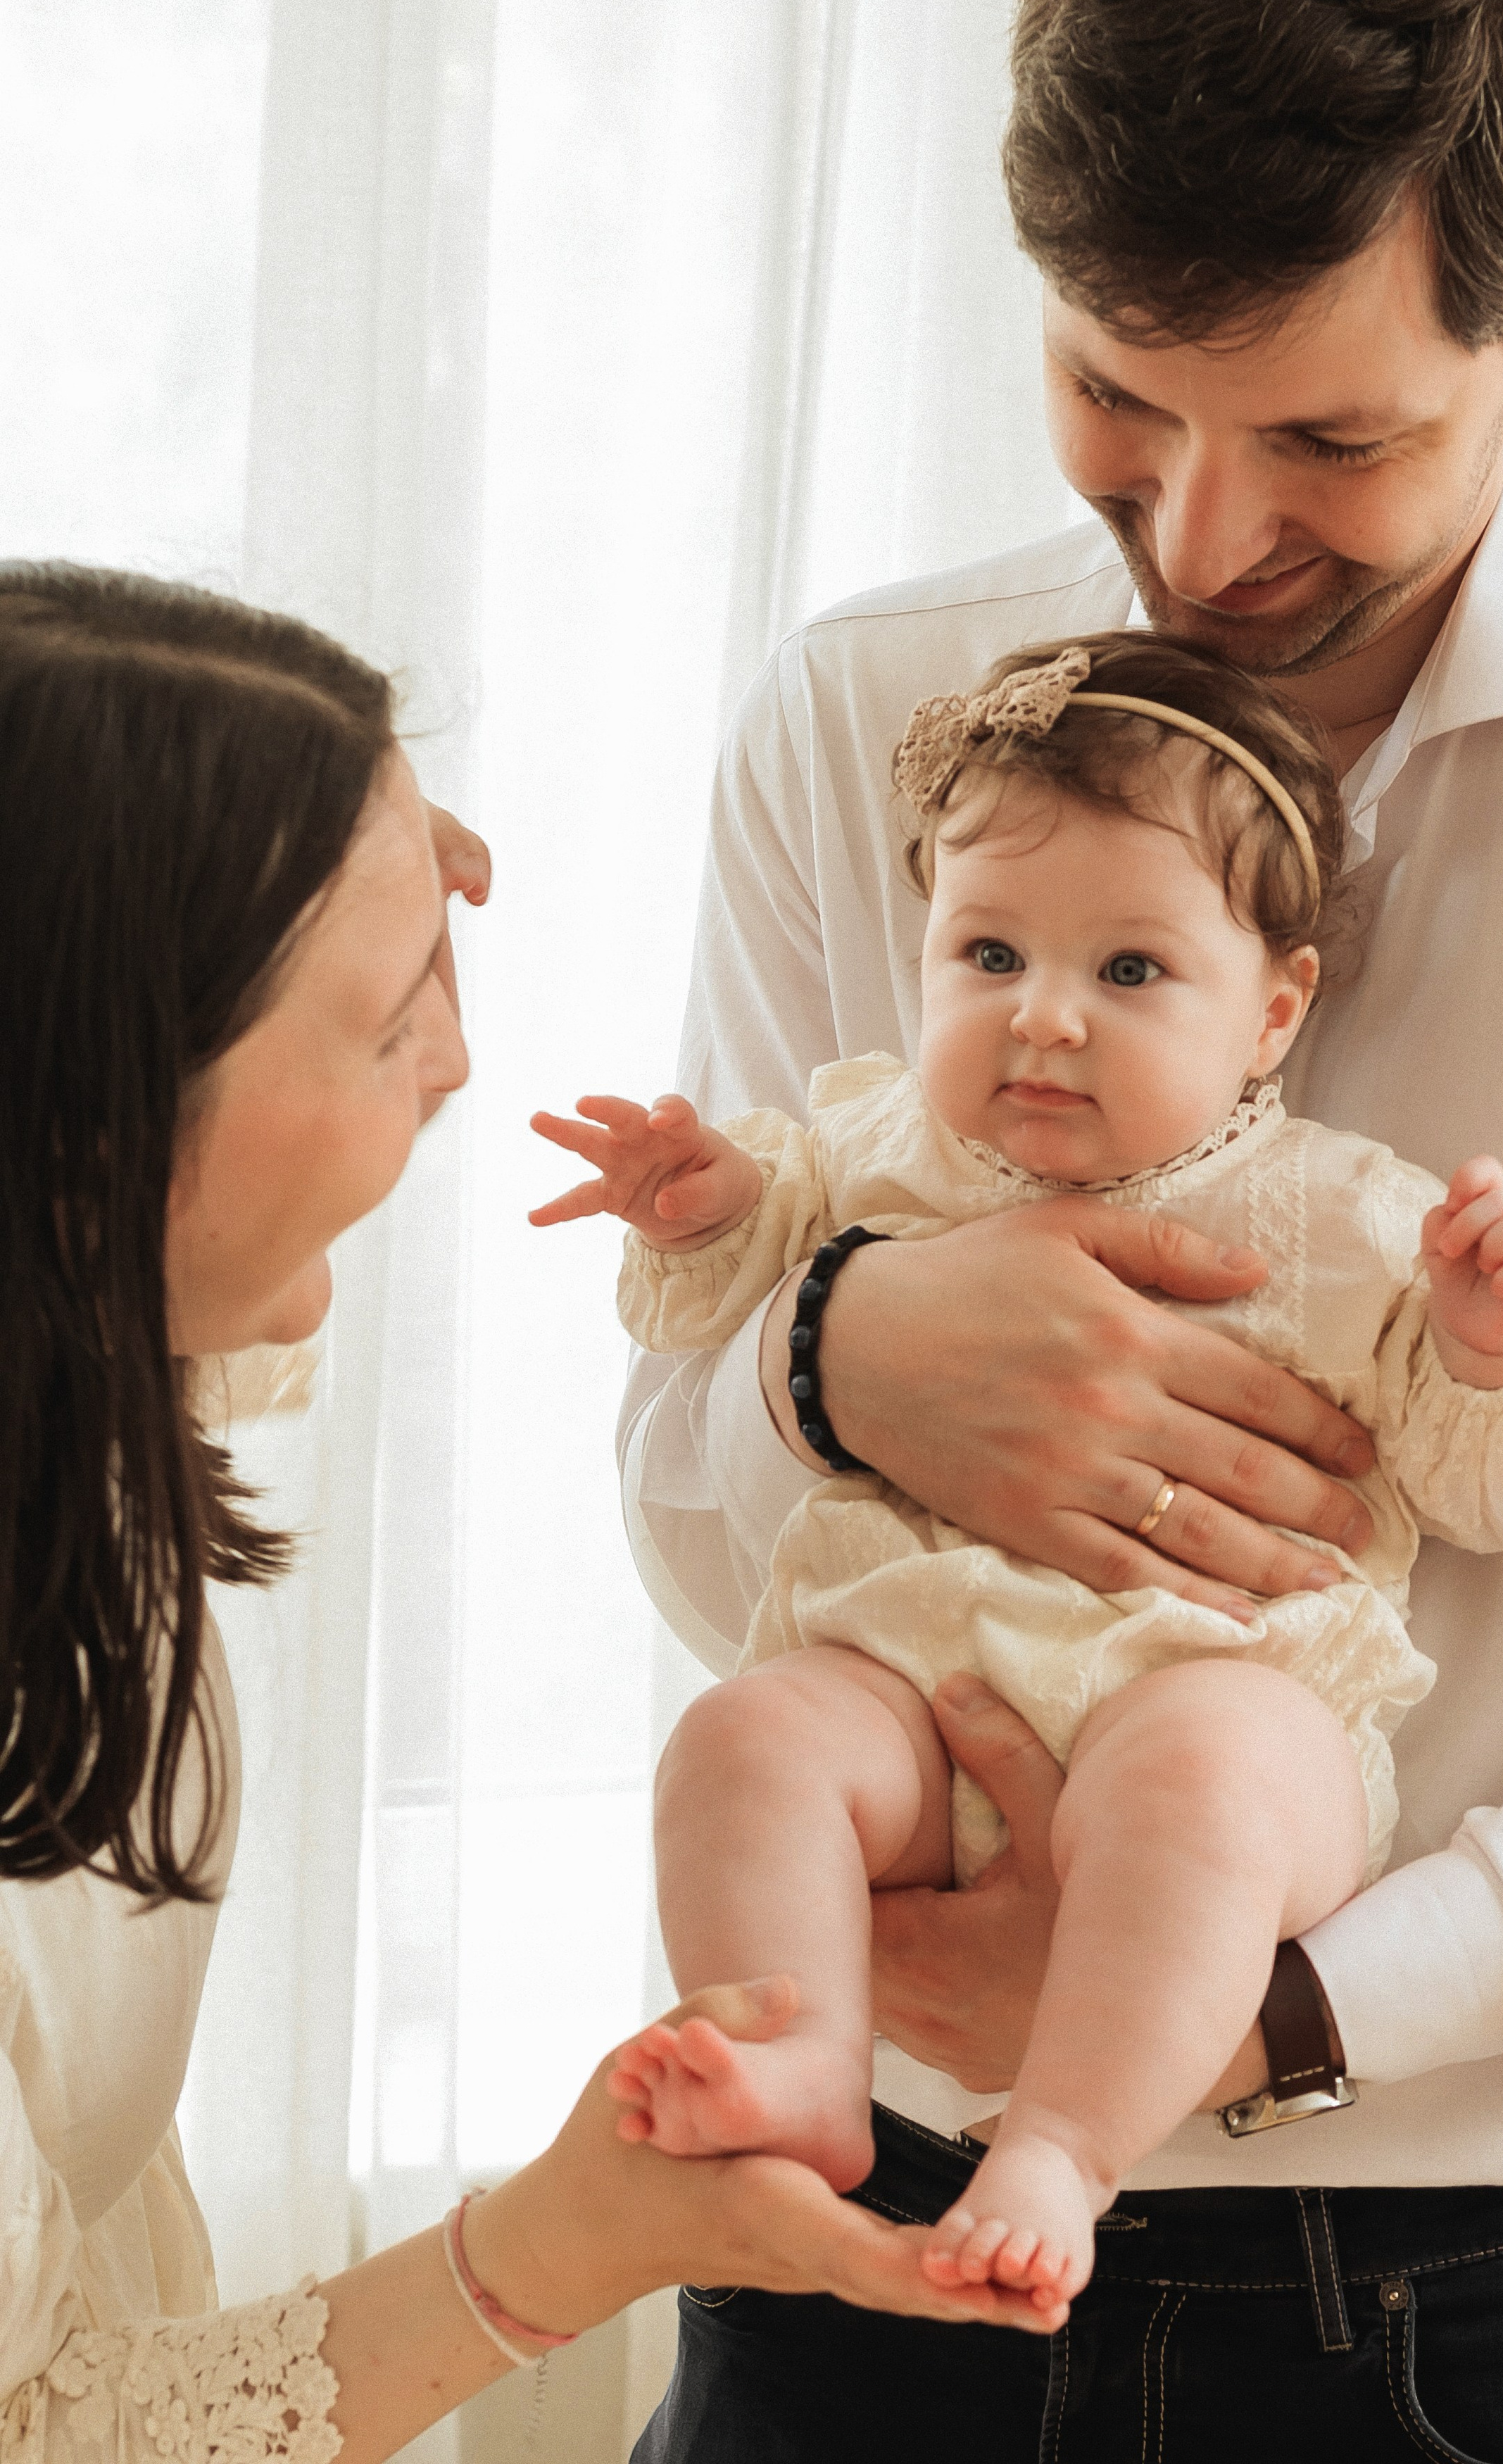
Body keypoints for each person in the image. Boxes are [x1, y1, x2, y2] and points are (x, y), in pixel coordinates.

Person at [617, 0, 1503, 2456]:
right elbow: (686, 1491)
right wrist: (826, 1356)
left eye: (1336, 443)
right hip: (858, 2254)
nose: (1204, 532)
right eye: (1114, 395)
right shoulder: (858, 720)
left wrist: (1271, 2006)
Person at [0, 567, 1055, 2464]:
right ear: (97, 1131)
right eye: (394, 1006)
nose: (463, 1052)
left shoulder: (71, 1356)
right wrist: (562, 2241)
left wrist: (282, 809)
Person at [537, 632, 1503, 2311]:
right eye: (985, 953)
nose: (1039, 1016)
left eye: (1127, 972)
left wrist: (1487, 1335)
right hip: (912, 1669)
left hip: (1214, 1682)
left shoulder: (1333, 1214)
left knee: (1191, 1797)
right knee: (741, 1735)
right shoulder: (876, 1145)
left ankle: (1060, 2144)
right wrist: (704, 1206)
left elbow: (1486, 1486)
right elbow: (734, 1299)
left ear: (1270, 1011)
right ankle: (806, 2059)